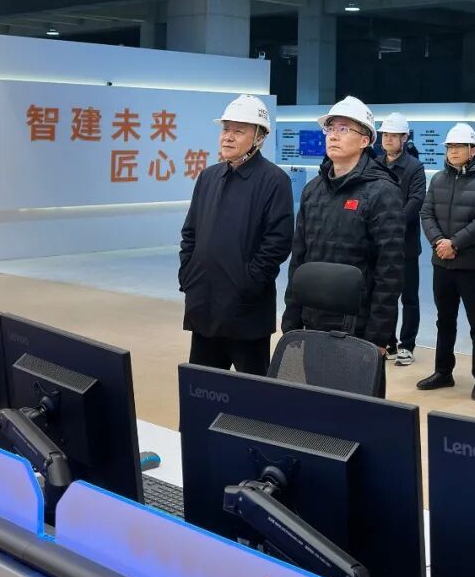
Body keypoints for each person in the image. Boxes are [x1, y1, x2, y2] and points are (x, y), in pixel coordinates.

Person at [179, 94, 293, 375]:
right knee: (201, 388)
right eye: (225, 129)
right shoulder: (209, 177)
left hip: (245, 312)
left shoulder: (274, 180)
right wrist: (188, 276)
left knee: (252, 395)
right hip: (204, 305)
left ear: (259, 137)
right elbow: (190, 233)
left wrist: (247, 283)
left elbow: (278, 243)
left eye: (238, 131)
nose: (227, 137)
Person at [282, 96, 404, 356]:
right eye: (330, 129)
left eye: (344, 129)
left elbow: (390, 270)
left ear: (365, 141)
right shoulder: (313, 190)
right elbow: (299, 258)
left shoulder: (383, 192)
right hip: (312, 321)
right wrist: (291, 319)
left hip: (357, 328)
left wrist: (378, 336)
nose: (333, 136)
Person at [417, 123, 475, 401]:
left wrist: (454, 244)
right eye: (450, 147)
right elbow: (426, 213)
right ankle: (443, 372)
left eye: (458, 146)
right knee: (444, 320)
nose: (452, 151)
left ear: (472, 150)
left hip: (471, 264)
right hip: (442, 262)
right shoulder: (438, 179)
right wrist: (439, 243)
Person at [378, 112, 426, 366]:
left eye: (393, 135)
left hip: (405, 244)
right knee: (384, 294)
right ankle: (388, 341)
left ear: (404, 138)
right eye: (385, 135)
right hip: (378, 244)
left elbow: (416, 201)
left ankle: (407, 344)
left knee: (408, 297)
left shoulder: (414, 167)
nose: (388, 139)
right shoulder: (375, 164)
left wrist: (392, 224)